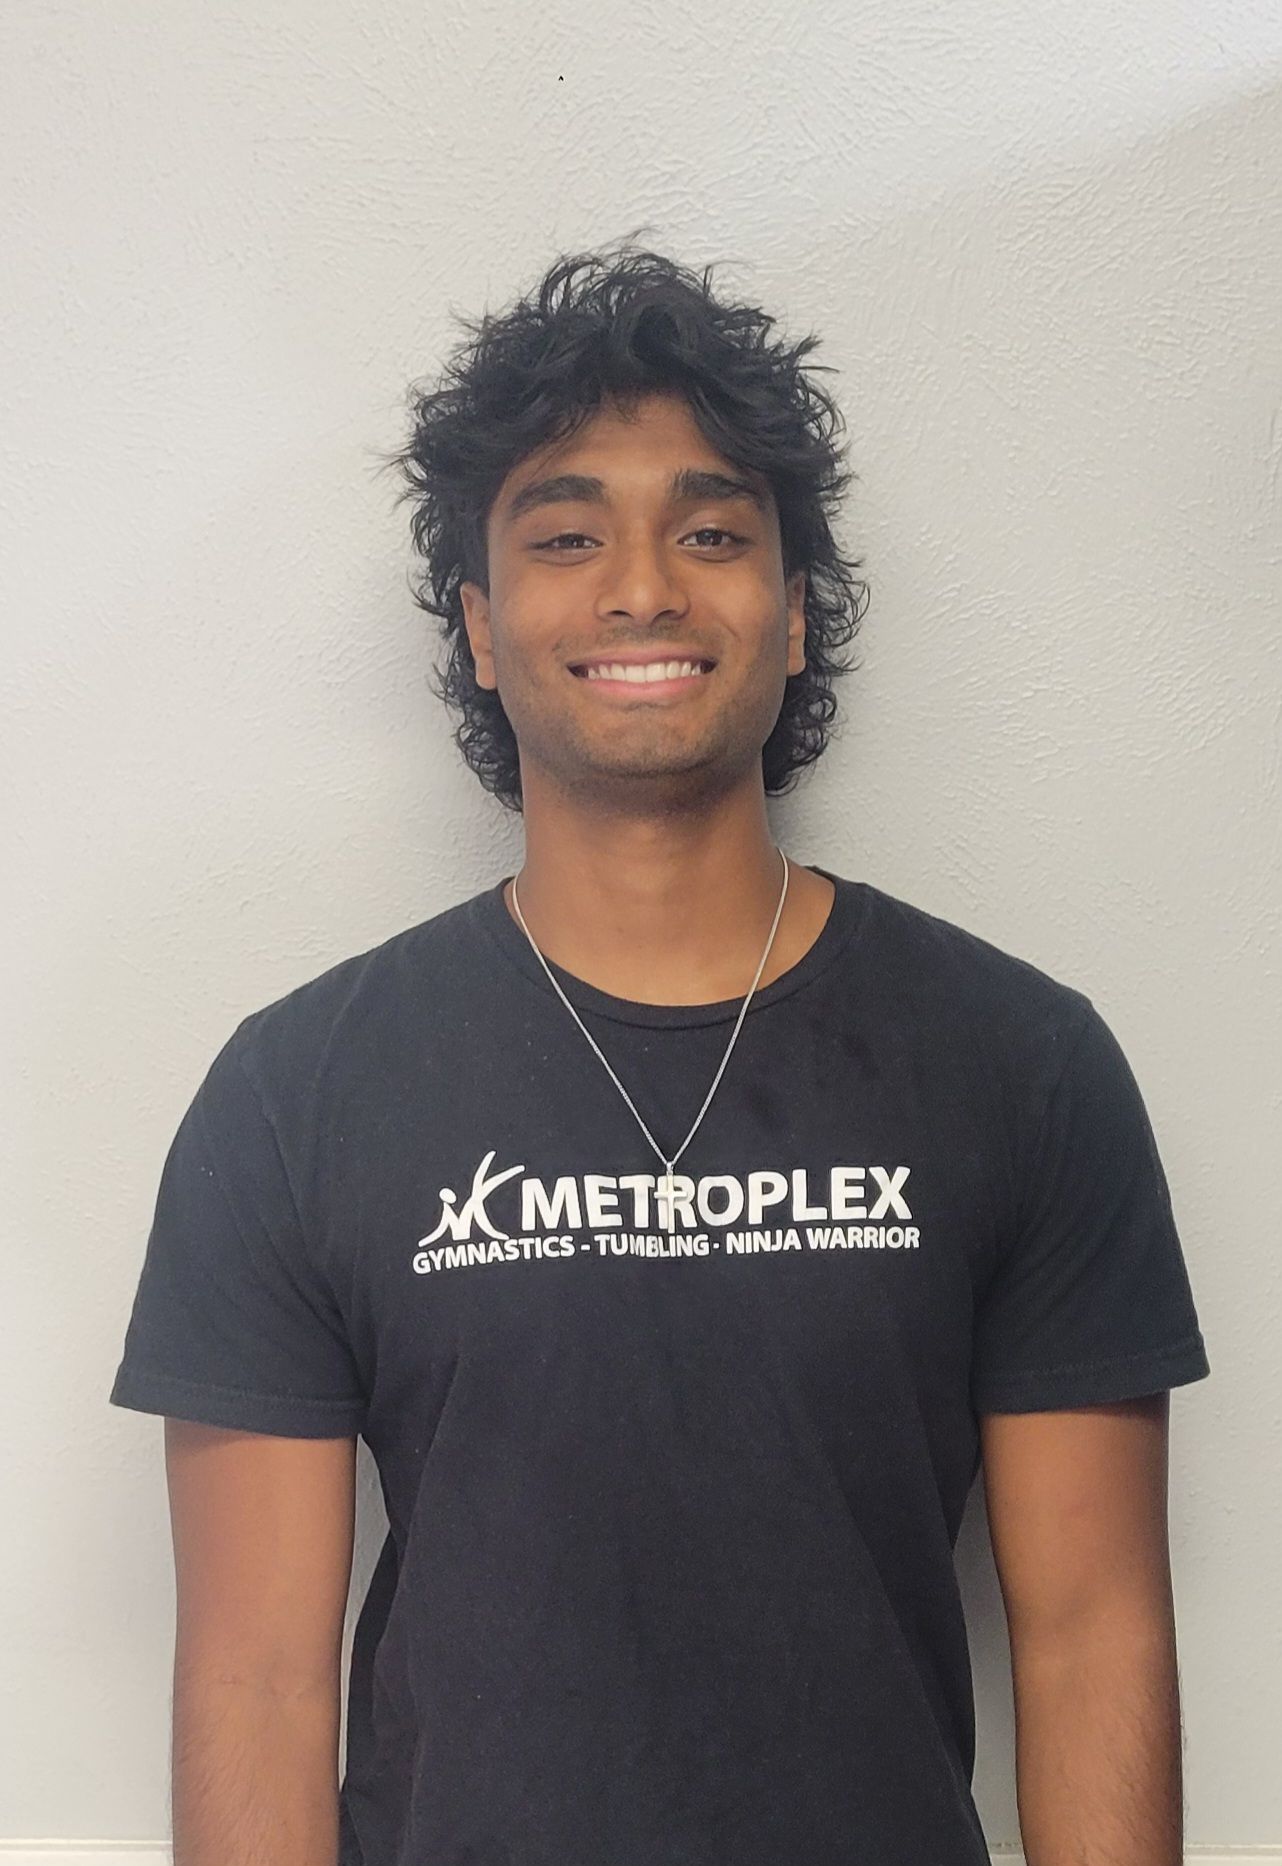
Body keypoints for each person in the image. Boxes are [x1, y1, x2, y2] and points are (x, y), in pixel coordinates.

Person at [109, 240, 1211, 1866]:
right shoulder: (296, 1093)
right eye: (565, 536)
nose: (640, 586)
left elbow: (1092, 1633)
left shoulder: (1020, 1063)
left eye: (710, 532)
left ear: (790, 615)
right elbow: (256, 1682)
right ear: (482, 629)